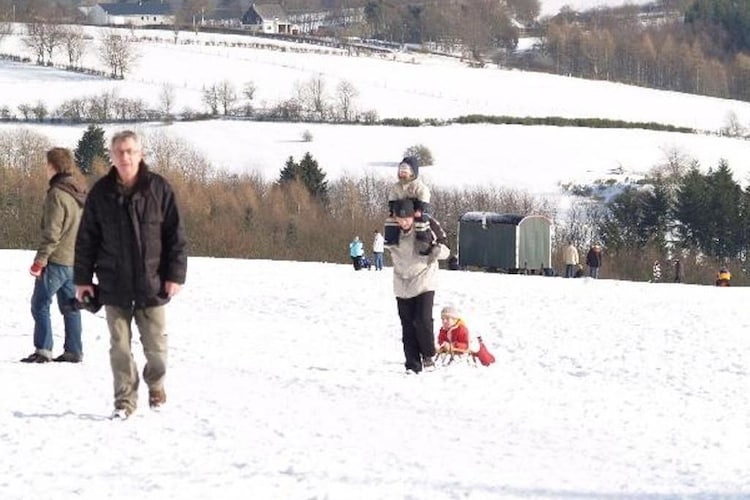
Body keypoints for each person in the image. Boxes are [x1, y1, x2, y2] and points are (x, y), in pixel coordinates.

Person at [74, 130, 187, 419]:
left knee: (158, 354)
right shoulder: (100, 193)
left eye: (130, 151)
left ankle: (156, 383)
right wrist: (83, 281)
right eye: (119, 152)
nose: (125, 157)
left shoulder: (159, 189)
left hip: (153, 284)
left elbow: (175, 236)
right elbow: (86, 240)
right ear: (111, 156)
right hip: (114, 284)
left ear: (140, 154)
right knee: (120, 349)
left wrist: (175, 275)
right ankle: (125, 402)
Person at [21, 148, 87, 364]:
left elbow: (52, 232)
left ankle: (43, 349)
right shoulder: (79, 192)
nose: (45, 169)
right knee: (70, 307)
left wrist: (40, 261)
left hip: (56, 260)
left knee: (39, 304)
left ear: (53, 166)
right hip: (74, 260)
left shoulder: (56, 194)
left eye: (47, 164)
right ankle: (74, 350)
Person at [384, 199, 449, 374]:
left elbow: (446, 248)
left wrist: (436, 251)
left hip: (424, 280)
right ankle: (412, 364)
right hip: (402, 283)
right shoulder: (392, 230)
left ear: (414, 216)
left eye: (407, 218)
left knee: (422, 321)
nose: (404, 222)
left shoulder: (426, 226)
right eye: (400, 218)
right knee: (407, 326)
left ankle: (428, 355)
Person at [384, 156, 433, 247]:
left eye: (405, 172)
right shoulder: (397, 187)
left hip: (416, 209)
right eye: (401, 172)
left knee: (421, 222)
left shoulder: (418, 186)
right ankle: (392, 240)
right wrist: (392, 210)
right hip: (402, 210)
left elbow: (424, 196)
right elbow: (392, 198)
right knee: (391, 220)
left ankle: (423, 241)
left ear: (412, 173)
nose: (402, 175)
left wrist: (420, 209)